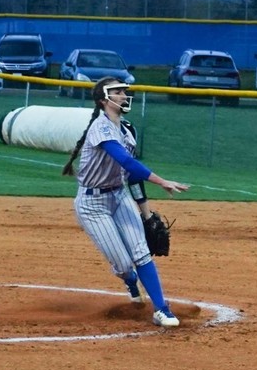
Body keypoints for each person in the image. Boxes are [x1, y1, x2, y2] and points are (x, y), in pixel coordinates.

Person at [62, 77, 189, 327]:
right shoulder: (100, 128)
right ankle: (130, 280)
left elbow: (131, 175)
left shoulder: (127, 130)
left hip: (119, 196)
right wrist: (161, 181)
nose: (123, 95)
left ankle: (162, 310)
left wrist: (146, 213)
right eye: (117, 91)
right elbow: (127, 161)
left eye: (124, 91)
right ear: (103, 100)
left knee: (141, 252)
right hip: (92, 204)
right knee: (122, 263)